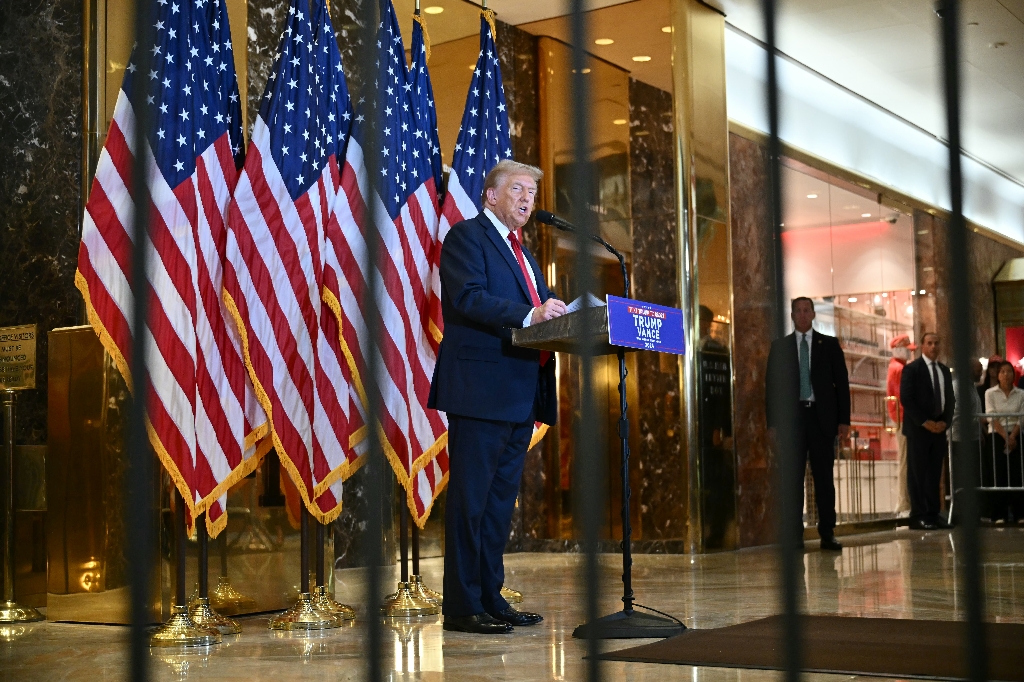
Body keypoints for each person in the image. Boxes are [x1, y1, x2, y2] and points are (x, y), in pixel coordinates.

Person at [428, 160, 566, 634]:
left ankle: (491, 597)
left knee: (498, 505)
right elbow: (467, 297)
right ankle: (462, 605)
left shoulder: (522, 252)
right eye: (518, 189)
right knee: (471, 503)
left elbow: (540, 309)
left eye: (532, 192)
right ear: (491, 195)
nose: (528, 199)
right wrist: (532, 314)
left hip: (520, 392)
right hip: (481, 390)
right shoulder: (467, 237)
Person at [766, 297, 850, 551]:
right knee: (792, 479)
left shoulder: (829, 345)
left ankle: (827, 532)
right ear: (792, 316)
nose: (802, 315)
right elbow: (772, 388)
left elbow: (841, 384)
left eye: (806, 310)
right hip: (792, 421)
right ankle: (794, 534)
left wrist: (844, 421)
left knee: (823, 478)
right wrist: (772, 423)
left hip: (821, 420)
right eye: (798, 311)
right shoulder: (780, 347)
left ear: (813, 314)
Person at [899, 332, 955, 530]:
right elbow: (906, 398)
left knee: (934, 474)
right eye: (929, 343)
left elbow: (950, 399)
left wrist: (945, 422)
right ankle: (918, 515)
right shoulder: (912, 369)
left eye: (936, 343)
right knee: (918, 474)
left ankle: (933, 514)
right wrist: (924, 422)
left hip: (938, 430)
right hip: (919, 430)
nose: (933, 346)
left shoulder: (944, 370)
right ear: (922, 346)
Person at [984, 361, 1024, 524]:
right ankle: (998, 514)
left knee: (1017, 473)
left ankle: (1019, 513)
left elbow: (1022, 416)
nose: (1006, 375)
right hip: (997, 435)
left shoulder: (1021, 393)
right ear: (997, 375)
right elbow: (991, 416)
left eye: (1009, 371)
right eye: (1002, 372)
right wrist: (1005, 437)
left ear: (1014, 375)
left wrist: (1013, 436)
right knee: (998, 473)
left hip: (1016, 434)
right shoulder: (990, 393)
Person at [950, 358, 984, 524]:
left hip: (972, 437)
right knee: (963, 477)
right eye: (978, 369)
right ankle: (963, 513)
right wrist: (978, 421)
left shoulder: (971, 386)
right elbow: (958, 414)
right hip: (960, 438)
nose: (981, 373)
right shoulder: (958, 387)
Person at [886, 334, 916, 518]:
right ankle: (904, 502)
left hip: (901, 418)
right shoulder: (899, 369)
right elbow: (903, 397)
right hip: (904, 419)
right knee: (906, 461)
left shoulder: (895, 367)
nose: (909, 353)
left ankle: (905, 502)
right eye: (907, 349)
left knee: (905, 460)